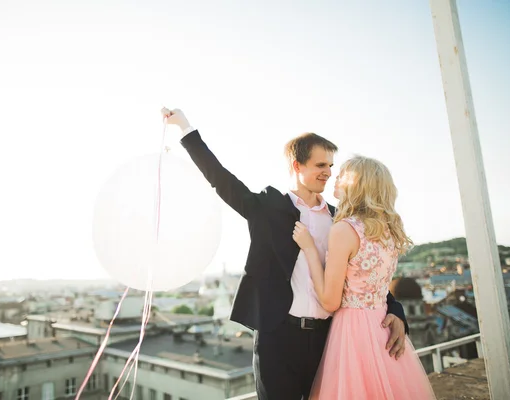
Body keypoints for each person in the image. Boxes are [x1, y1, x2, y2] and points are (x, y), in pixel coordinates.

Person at [161, 108, 409, 400]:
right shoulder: (267, 209)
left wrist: (395, 310)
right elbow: (220, 179)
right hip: (278, 339)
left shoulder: (340, 218)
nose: (328, 172)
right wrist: (185, 129)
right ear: (297, 165)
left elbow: (362, 274)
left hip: (329, 340)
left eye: (330, 165)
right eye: (320, 165)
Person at [292, 156, 435, 399]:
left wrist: (309, 249)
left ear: (357, 184)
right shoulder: (388, 231)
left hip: (353, 331)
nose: (335, 177)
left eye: (343, 174)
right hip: (381, 327)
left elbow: (330, 301)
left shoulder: (344, 230)